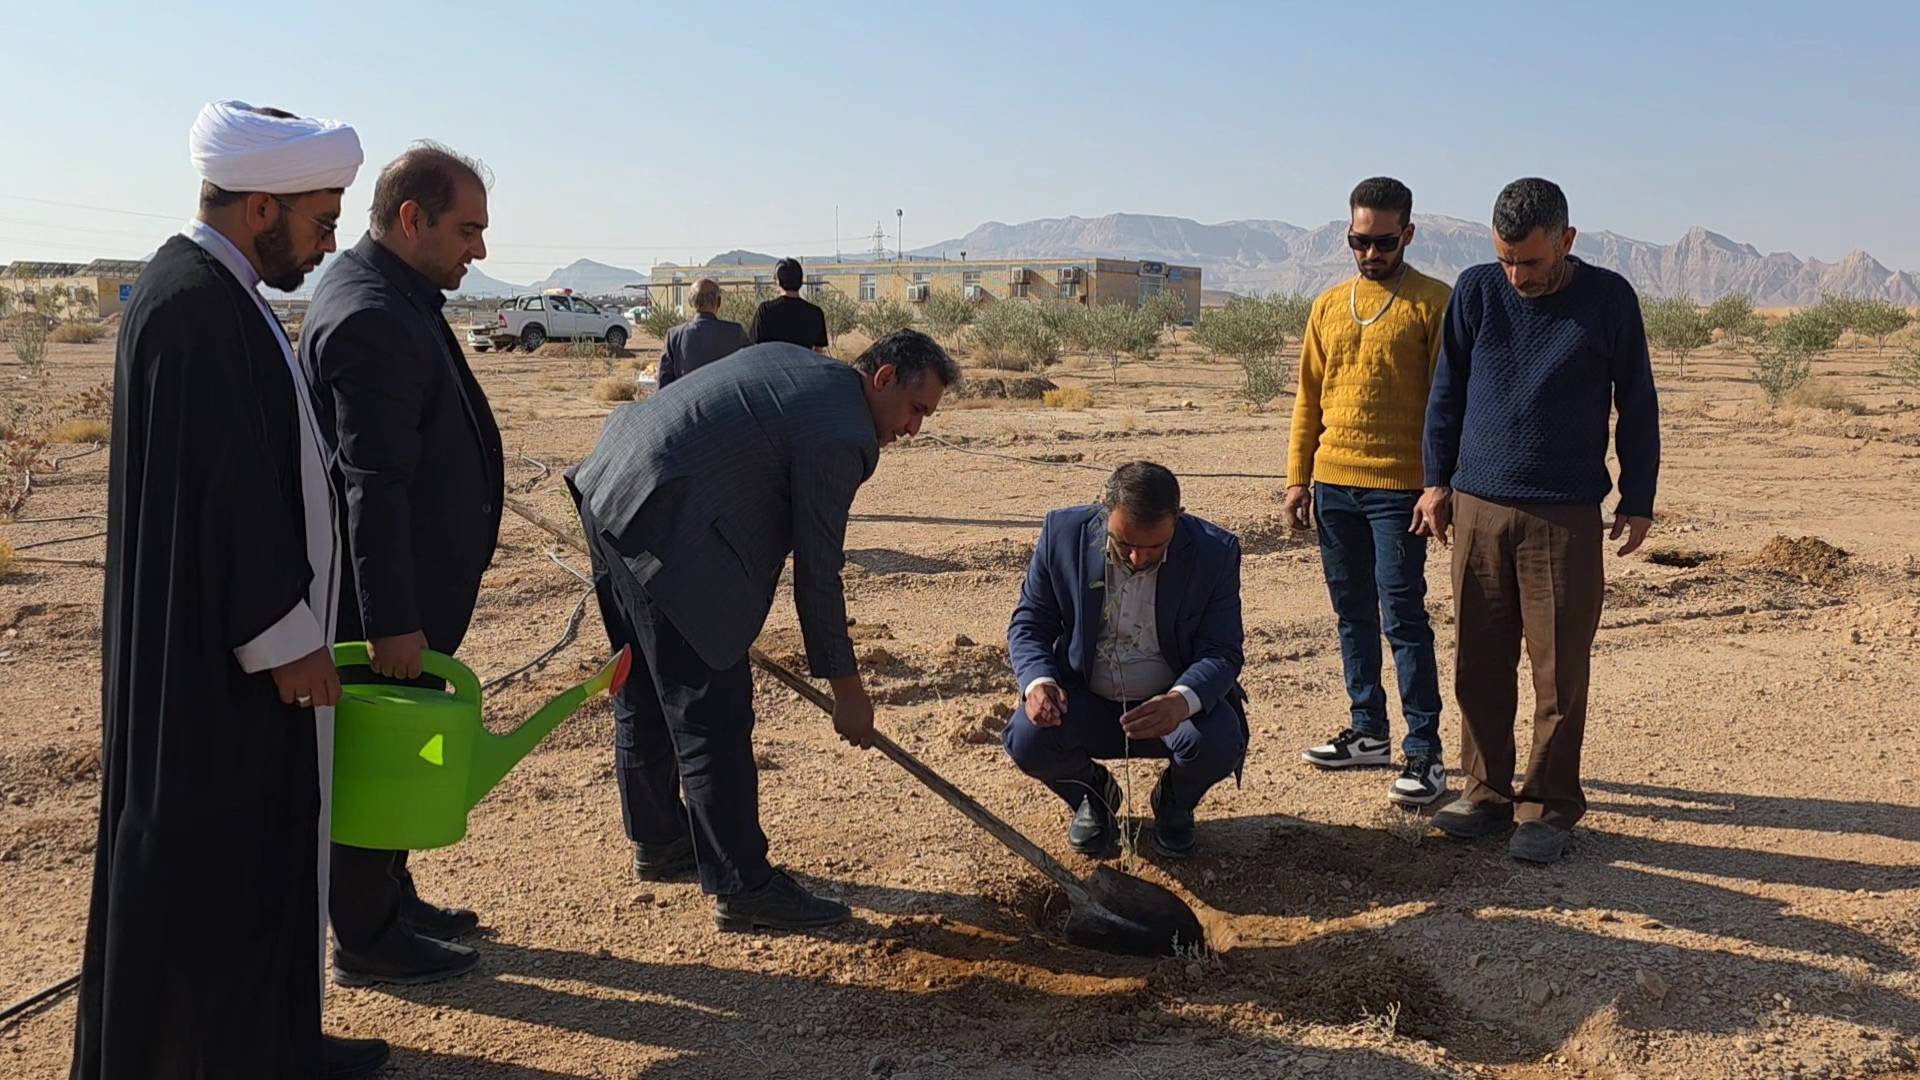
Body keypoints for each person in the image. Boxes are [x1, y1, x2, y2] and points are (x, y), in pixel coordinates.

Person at [73, 100, 388, 1079]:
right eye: (322, 220)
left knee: (266, 861)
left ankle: (280, 1046)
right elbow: (224, 490)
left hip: (242, 659)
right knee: (216, 872)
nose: (330, 242)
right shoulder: (191, 304)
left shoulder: (220, 292)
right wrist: (284, 633)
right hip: (220, 669)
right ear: (262, 207)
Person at [568, 331, 956, 929]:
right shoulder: (843, 433)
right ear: (882, 380)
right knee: (710, 710)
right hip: (665, 521)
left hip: (613, 483)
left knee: (644, 684)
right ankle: (745, 887)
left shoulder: (801, 366)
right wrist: (848, 691)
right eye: (915, 409)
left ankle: (662, 839)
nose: (914, 429)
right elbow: (818, 573)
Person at [301, 143, 502, 987]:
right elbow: (371, 486)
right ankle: (369, 936)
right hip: (383, 605)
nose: (480, 251)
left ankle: (391, 894)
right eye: (468, 229)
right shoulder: (373, 314)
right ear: (412, 219)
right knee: (379, 758)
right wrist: (391, 622)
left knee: (393, 751)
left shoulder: (395, 294)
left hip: (412, 589)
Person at [1416, 177, 1661, 864]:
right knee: (1479, 663)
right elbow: (1447, 393)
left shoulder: (1609, 299)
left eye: (1530, 261)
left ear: (1567, 241)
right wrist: (1436, 482)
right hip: (1478, 506)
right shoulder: (1476, 291)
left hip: (1565, 515)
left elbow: (1637, 402)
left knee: (1559, 671)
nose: (1517, 275)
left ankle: (1549, 807)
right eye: (1506, 260)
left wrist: (1637, 497)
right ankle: (1486, 793)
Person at [1286, 177, 1453, 807]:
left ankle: (1424, 751)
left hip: (1400, 491)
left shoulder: (1435, 302)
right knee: (1351, 612)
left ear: (1407, 234)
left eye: (1383, 241)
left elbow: (1447, 403)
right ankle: (1367, 731)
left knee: (1403, 616)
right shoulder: (1329, 305)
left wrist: (1440, 484)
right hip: (1333, 485)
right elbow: (1309, 396)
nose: (1370, 253)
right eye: (1359, 241)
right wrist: (1298, 478)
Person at [1002, 462, 1247, 858]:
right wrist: (1038, 682)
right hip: (1086, 703)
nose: (1136, 558)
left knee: (1218, 742)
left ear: (1177, 522)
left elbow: (1222, 650)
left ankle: (1174, 803)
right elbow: (1030, 622)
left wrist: (1180, 700)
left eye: (1154, 547)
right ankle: (1095, 795)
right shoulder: (1063, 535)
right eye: (1122, 543)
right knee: (1028, 739)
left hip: (1168, 709)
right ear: (1105, 514)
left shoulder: (1213, 553)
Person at [657, 278, 749, 386]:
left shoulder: (674, 336)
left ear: (692, 302)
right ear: (718, 302)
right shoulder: (735, 333)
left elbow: (663, 384)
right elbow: (749, 370)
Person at [748, 256, 829, 350]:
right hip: (804, 364)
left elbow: (753, 347)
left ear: (778, 281)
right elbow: (818, 351)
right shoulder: (816, 313)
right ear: (801, 280)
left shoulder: (765, 311)